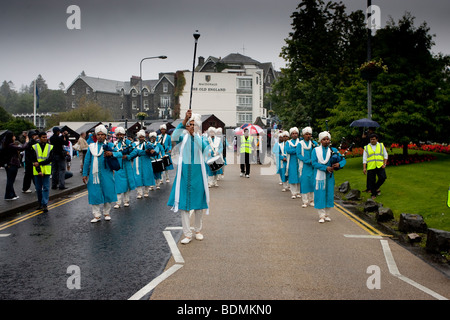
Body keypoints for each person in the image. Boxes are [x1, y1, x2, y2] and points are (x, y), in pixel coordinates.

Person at [167, 110, 209, 244]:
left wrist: (194, 135)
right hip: (184, 176)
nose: (190, 127)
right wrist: (184, 120)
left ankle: (198, 230)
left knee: (198, 205)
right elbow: (174, 136)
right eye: (189, 125)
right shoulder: (182, 137)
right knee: (184, 205)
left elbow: (205, 149)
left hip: (198, 176)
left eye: (193, 124)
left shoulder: (201, 138)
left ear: (197, 126)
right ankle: (187, 234)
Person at [82, 125, 122, 222]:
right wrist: (84, 174)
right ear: (96, 136)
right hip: (93, 175)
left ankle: (106, 213)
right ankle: (96, 215)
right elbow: (87, 161)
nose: (100, 136)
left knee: (107, 192)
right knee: (94, 193)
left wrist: (111, 154)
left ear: (105, 136)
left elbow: (120, 153)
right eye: (98, 134)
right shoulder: (91, 147)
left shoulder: (110, 146)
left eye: (102, 135)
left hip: (107, 173)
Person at [311, 131, 346, 223]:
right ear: (320, 141)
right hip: (319, 176)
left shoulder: (333, 150)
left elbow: (343, 160)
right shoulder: (315, 150)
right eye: (324, 139)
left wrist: (339, 164)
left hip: (329, 176)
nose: (326, 141)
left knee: (329, 194)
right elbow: (314, 163)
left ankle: (327, 214)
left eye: (327, 139)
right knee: (320, 194)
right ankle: (321, 215)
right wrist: (325, 168)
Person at [126, 130, 156, 199]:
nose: (141, 138)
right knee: (137, 177)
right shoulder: (134, 144)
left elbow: (154, 151)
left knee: (147, 176)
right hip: (137, 163)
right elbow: (133, 152)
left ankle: (146, 191)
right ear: (138, 137)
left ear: (144, 137)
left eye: (142, 137)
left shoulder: (148, 144)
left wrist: (152, 151)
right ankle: (139, 193)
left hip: (146, 162)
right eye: (140, 137)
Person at [113, 127, 135, 209]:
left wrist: (128, 156)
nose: (120, 136)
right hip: (118, 166)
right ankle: (118, 202)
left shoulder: (129, 142)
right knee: (118, 184)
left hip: (127, 165)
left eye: (121, 134)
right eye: (118, 135)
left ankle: (126, 200)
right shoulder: (114, 144)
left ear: (124, 135)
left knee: (127, 183)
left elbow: (134, 152)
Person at [3, 131, 29, 200]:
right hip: (12, 164)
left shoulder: (5, 144)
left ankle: (12, 195)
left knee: (10, 180)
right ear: (11, 137)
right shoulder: (10, 145)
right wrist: (26, 141)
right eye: (13, 136)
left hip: (8, 164)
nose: (14, 137)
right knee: (10, 181)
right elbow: (22, 148)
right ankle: (8, 196)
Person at [31, 132, 54, 212]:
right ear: (39, 138)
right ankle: (40, 203)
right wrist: (39, 170)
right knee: (38, 188)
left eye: (46, 137)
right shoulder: (34, 147)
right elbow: (33, 159)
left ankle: (44, 204)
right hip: (37, 171)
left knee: (46, 188)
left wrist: (39, 163)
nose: (45, 138)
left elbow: (50, 159)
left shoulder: (50, 147)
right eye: (43, 137)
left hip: (46, 170)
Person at [297, 127, 318, 208]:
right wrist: (307, 160)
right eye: (306, 134)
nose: (308, 136)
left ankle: (312, 200)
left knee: (312, 183)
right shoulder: (300, 144)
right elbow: (298, 154)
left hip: (313, 166)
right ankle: (305, 201)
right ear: (303, 135)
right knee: (305, 183)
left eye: (309, 134)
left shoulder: (314, 143)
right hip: (304, 166)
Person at [363, 133, 388, 200]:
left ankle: (376, 187)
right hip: (371, 166)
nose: (372, 141)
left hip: (380, 165)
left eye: (374, 139)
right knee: (372, 181)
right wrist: (364, 168)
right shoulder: (366, 147)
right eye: (371, 139)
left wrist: (384, 164)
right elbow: (364, 158)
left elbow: (385, 155)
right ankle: (373, 194)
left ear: (377, 139)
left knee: (383, 178)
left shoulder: (381, 146)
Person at [285, 127, 301, 199]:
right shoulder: (288, 142)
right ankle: (293, 193)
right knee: (292, 176)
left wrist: (294, 150)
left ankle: (298, 192)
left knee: (299, 176)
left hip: (299, 161)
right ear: (291, 135)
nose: (294, 135)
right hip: (291, 161)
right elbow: (288, 151)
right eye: (293, 133)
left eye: (296, 133)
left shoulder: (300, 141)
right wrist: (297, 150)